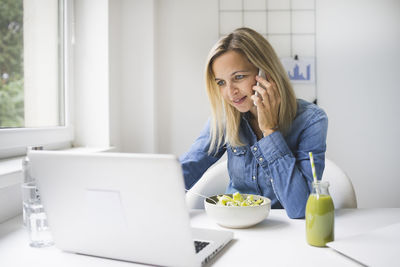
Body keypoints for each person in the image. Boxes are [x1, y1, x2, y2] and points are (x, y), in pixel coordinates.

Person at [179, 27, 328, 219]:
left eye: (238, 77)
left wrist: (270, 131)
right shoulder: (227, 117)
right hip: (236, 227)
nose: (230, 92)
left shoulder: (311, 120)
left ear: (266, 73)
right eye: (221, 83)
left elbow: (300, 209)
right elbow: (189, 167)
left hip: (287, 233)